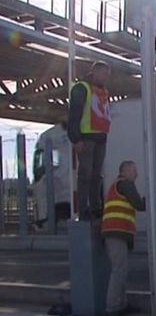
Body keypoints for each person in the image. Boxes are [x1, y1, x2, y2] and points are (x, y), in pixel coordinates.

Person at [68, 61, 112, 220]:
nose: (106, 78)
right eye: (104, 74)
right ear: (96, 73)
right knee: (85, 174)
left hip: (100, 137)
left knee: (97, 175)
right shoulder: (82, 88)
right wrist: (76, 138)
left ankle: (96, 207)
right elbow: (73, 114)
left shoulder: (102, 91)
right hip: (86, 137)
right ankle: (84, 209)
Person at [101, 161, 145, 316]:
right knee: (119, 270)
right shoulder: (125, 184)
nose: (137, 175)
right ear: (125, 171)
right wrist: (155, 201)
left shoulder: (116, 186)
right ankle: (112, 307)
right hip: (117, 232)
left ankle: (121, 304)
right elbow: (139, 204)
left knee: (121, 269)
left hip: (116, 232)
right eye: (134, 171)